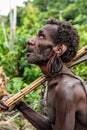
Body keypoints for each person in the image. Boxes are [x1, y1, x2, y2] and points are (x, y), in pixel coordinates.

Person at [0, 18, 87, 130]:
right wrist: (20, 105)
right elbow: (53, 128)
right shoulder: (55, 81)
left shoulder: (66, 88)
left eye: (41, 36)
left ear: (59, 49)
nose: (30, 41)